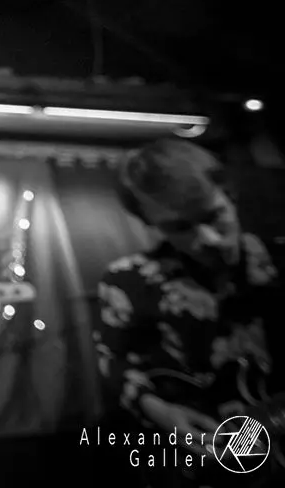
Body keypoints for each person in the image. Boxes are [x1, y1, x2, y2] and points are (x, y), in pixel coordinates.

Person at [94, 138, 281, 486]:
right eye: (180, 227)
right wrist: (161, 412)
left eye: (213, 216)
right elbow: (114, 361)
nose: (209, 239)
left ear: (230, 195)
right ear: (150, 222)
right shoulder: (128, 280)